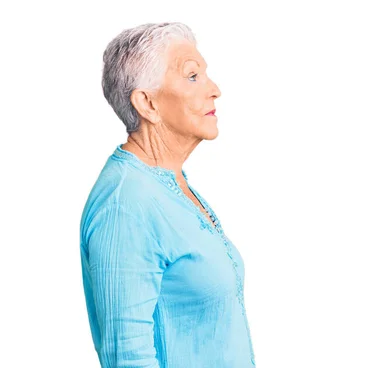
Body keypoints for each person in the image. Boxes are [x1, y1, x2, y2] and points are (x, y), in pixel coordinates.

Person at [79, 22, 256, 367]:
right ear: (147, 103)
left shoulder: (168, 181)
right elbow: (127, 358)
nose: (214, 89)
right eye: (192, 77)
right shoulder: (125, 203)